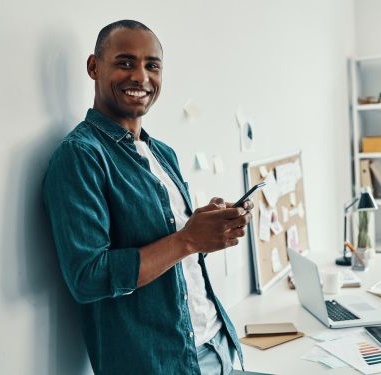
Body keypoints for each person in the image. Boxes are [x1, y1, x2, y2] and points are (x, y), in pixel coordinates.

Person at [43, 19, 253, 375]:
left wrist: (208, 226)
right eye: (125, 63)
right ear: (94, 67)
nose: (141, 77)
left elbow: (173, 246)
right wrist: (189, 239)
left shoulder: (163, 153)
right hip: (157, 363)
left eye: (152, 65)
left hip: (217, 345)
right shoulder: (79, 155)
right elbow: (88, 277)